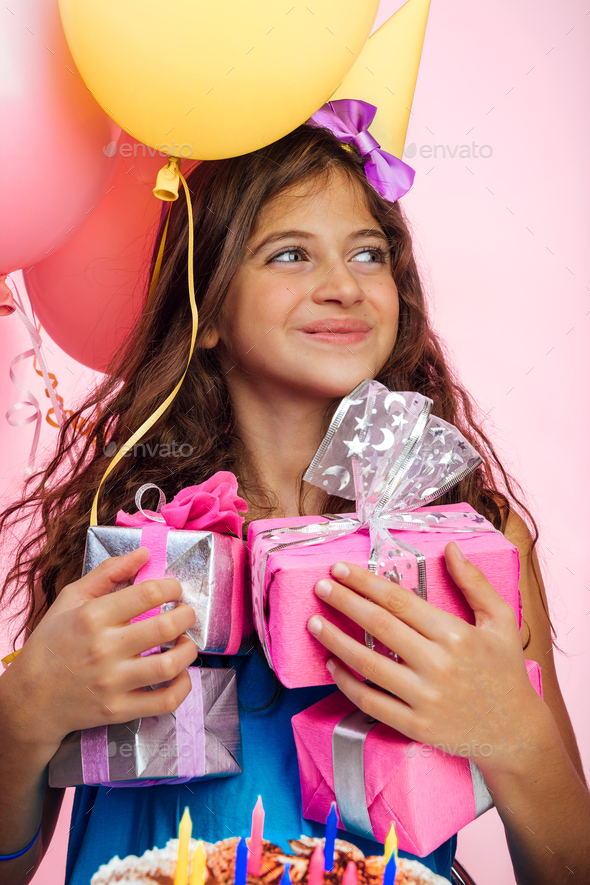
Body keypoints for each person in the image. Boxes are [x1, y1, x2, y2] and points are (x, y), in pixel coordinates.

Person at [0, 123, 588, 885]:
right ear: (205, 310)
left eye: (368, 252)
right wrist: (22, 716)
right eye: (290, 252)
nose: (345, 284)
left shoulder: (470, 542)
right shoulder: (121, 542)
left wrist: (517, 736)